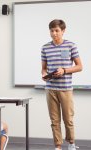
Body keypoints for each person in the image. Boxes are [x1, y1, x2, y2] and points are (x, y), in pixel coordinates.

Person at [41, 19, 82, 150]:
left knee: (68, 119)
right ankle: (57, 146)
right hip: (50, 89)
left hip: (66, 89)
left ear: (63, 31)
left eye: (57, 31)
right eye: (52, 31)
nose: (54, 33)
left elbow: (79, 66)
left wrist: (64, 70)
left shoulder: (71, 46)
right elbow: (43, 68)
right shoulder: (45, 48)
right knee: (54, 120)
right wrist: (43, 74)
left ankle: (71, 144)